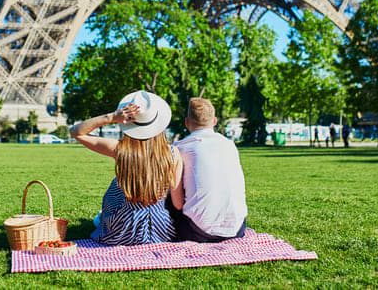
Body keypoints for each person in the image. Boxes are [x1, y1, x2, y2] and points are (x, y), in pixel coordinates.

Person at [69, 90, 184, 246]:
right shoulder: (173, 153)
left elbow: (76, 132)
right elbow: (177, 203)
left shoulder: (120, 150)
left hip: (122, 230)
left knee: (116, 185)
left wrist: (111, 117)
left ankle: (103, 218)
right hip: (161, 230)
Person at [167, 97, 247, 243]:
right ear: (214, 121)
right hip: (237, 229)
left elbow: (177, 203)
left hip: (199, 232)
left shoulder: (180, 148)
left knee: (168, 195)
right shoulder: (229, 145)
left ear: (187, 123)